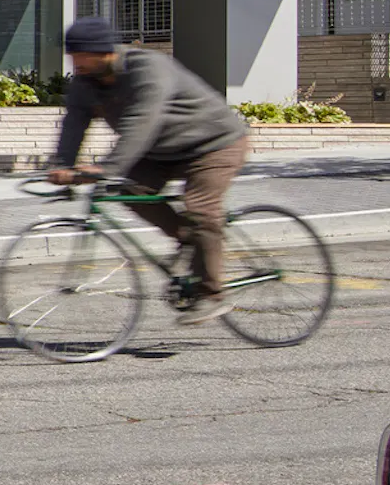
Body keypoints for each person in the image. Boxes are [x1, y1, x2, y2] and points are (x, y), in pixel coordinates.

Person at [45, 16, 252, 320]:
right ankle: (191, 241)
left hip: (214, 144)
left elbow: (141, 122)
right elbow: (74, 122)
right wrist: (63, 167)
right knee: (130, 190)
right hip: (161, 152)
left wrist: (108, 167)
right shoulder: (85, 82)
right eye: (72, 55)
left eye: (82, 55)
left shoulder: (147, 68)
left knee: (200, 208)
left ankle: (211, 293)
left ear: (105, 52)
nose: (76, 63)